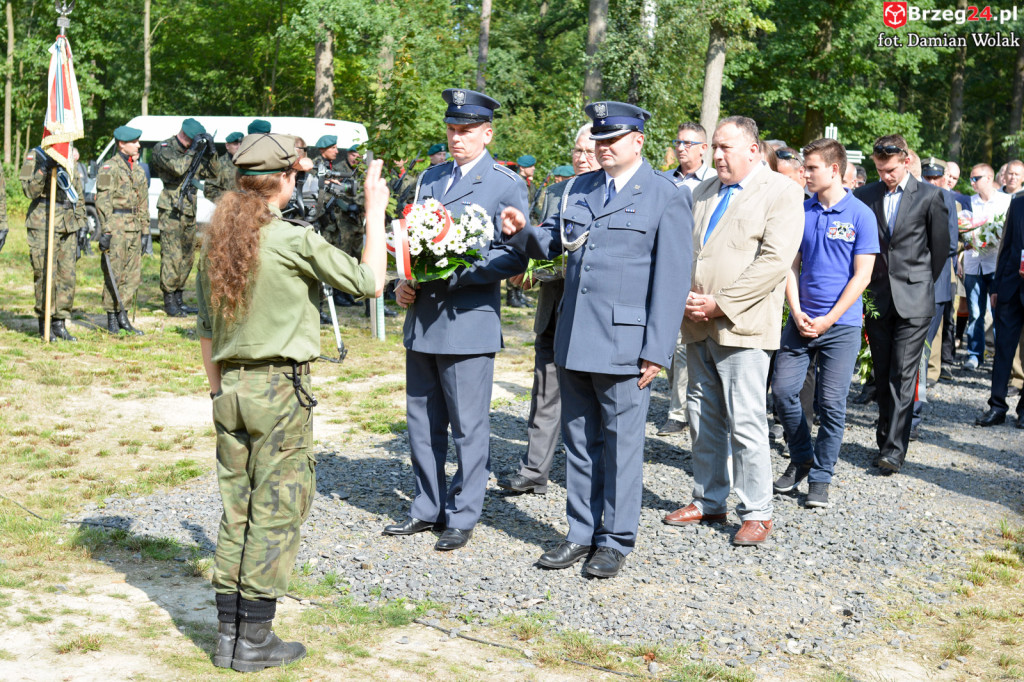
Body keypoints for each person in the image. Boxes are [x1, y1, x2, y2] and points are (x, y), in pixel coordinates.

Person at [199, 133, 387, 673]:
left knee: (238, 511)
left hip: (231, 388)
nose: (298, 182)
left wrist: (217, 392)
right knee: (277, 513)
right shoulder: (292, 239)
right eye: (296, 175)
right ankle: (254, 639)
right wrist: (375, 213)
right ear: (283, 180)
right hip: (279, 391)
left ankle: (229, 634)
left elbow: (206, 334)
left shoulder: (217, 242)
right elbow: (370, 281)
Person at [501, 101, 692, 577]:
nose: (603, 148)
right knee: (580, 442)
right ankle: (580, 533)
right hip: (575, 336)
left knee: (622, 444)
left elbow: (671, 280)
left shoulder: (664, 194)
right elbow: (551, 246)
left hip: (627, 344)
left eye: (613, 140)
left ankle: (615, 539)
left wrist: (656, 350)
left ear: (638, 141)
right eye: (599, 141)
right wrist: (522, 231)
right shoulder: (576, 189)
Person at [383, 88, 530, 552]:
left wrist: (458, 271)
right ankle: (427, 507)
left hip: (468, 320)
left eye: (465, 130)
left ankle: (463, 513)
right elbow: (410, 239)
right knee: (422, 422)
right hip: (424, 319)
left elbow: (514, 257)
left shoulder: (506, 184)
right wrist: (402, 281)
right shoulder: (431, 178)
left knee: (469, 426)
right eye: (451, 129)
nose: (456, 137)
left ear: (487, 133)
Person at [662, 115, 803, 546]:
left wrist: (720, 303)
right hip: (696, 321)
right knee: (701, 416)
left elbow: (775, 262)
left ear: (753, 151)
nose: (718, 155)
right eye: (716, 148)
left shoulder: (781, 192)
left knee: (745, 421)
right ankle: (709, 499)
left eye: (726, 148)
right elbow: (692, 250)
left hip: (741, 325)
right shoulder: (705, 190)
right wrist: (685, 296)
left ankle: (757, 510)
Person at [770, 139, 878, 507]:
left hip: (841, 326)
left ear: (834, 170)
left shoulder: (861, 215)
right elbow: (791, 265)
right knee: (783, 393)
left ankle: (821, 477)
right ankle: (801, 458)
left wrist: (829, 319)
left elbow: (862, 276)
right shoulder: (802, 210)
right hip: (800, 322)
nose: (806, 173)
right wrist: (796, 311)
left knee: (831, 404)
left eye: (812, 167)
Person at [498, 124, 600, 496]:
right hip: (553, 306)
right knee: (545, 390)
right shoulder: (557, 191)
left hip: (592, 315)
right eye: (577, 151)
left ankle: (585, 474)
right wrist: (529, 271)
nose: (582, 158)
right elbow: (544, 242)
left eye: (589, 151)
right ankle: (533, 470)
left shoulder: (617, 194)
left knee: (591, 398)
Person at [853, 135, 950, 474]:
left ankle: (894, 450)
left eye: (891, 169)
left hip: (914, 298)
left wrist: (917, 282)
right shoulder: (865, 195)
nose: (886, 176)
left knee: (904, 374)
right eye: (880, 170)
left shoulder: (930, 195)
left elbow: (940, 250)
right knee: (882, 373)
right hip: (877, 297)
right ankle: (884, 440)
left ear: (906, 161)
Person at [151, 117, 216, 317]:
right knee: (172, 255)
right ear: (186, 135)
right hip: (171, 208)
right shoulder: (163, 148)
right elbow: (178, 168)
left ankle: (179, 297)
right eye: (193, 139)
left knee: (187, 256)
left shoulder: (194, 152)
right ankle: (169, 298)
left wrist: (211, 152)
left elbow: (214, 173)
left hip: (188, 210)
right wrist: (192, 150)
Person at [19, 147, 85, 340]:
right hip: (43, 221)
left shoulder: (69, 155)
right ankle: (44, 322)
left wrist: (81, 225)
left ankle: (59, 322)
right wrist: (44, 168)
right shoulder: (35, 156)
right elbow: (29, 190)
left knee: (67, 276)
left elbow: (77, 193)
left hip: (68, 223)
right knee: (45, 273)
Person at [976, 193, 1024, 428]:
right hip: (1010, 288)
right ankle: (997, 406)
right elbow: (1006, 245)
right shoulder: (1018, 203)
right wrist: (996, 286)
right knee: (1003, 350)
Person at [96, 125, 149, 336]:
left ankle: (123, 315)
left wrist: (145, 231)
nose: (138, 145)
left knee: (132, 275)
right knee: (114, 273)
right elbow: (102, 200)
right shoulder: (109, 168)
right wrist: (106, 231)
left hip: (135, 226)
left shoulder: (138, 169)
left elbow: (143, 202)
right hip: (117, 226)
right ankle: (111, 317)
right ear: (121, 144)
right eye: (134, 142)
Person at [961, 164, 1011, 370]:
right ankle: (974, 354)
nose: (972, 182)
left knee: (1000, 312)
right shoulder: (968, 202)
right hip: (974, 263)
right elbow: (962, 230)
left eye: (976, 178)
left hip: (996, 265)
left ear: (989, 178)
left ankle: (1001, 356)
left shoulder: (1006, 201)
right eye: (971, 179)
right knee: (975, 313)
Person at [203, 131, 243, 202]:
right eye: (235, 144)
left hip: (248, 208)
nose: (239, 147)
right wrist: (226, 201)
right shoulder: (218, 164)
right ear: (227, 146)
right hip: (228, 209)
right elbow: (209, 189)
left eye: (241, 144)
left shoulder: (250, 163)